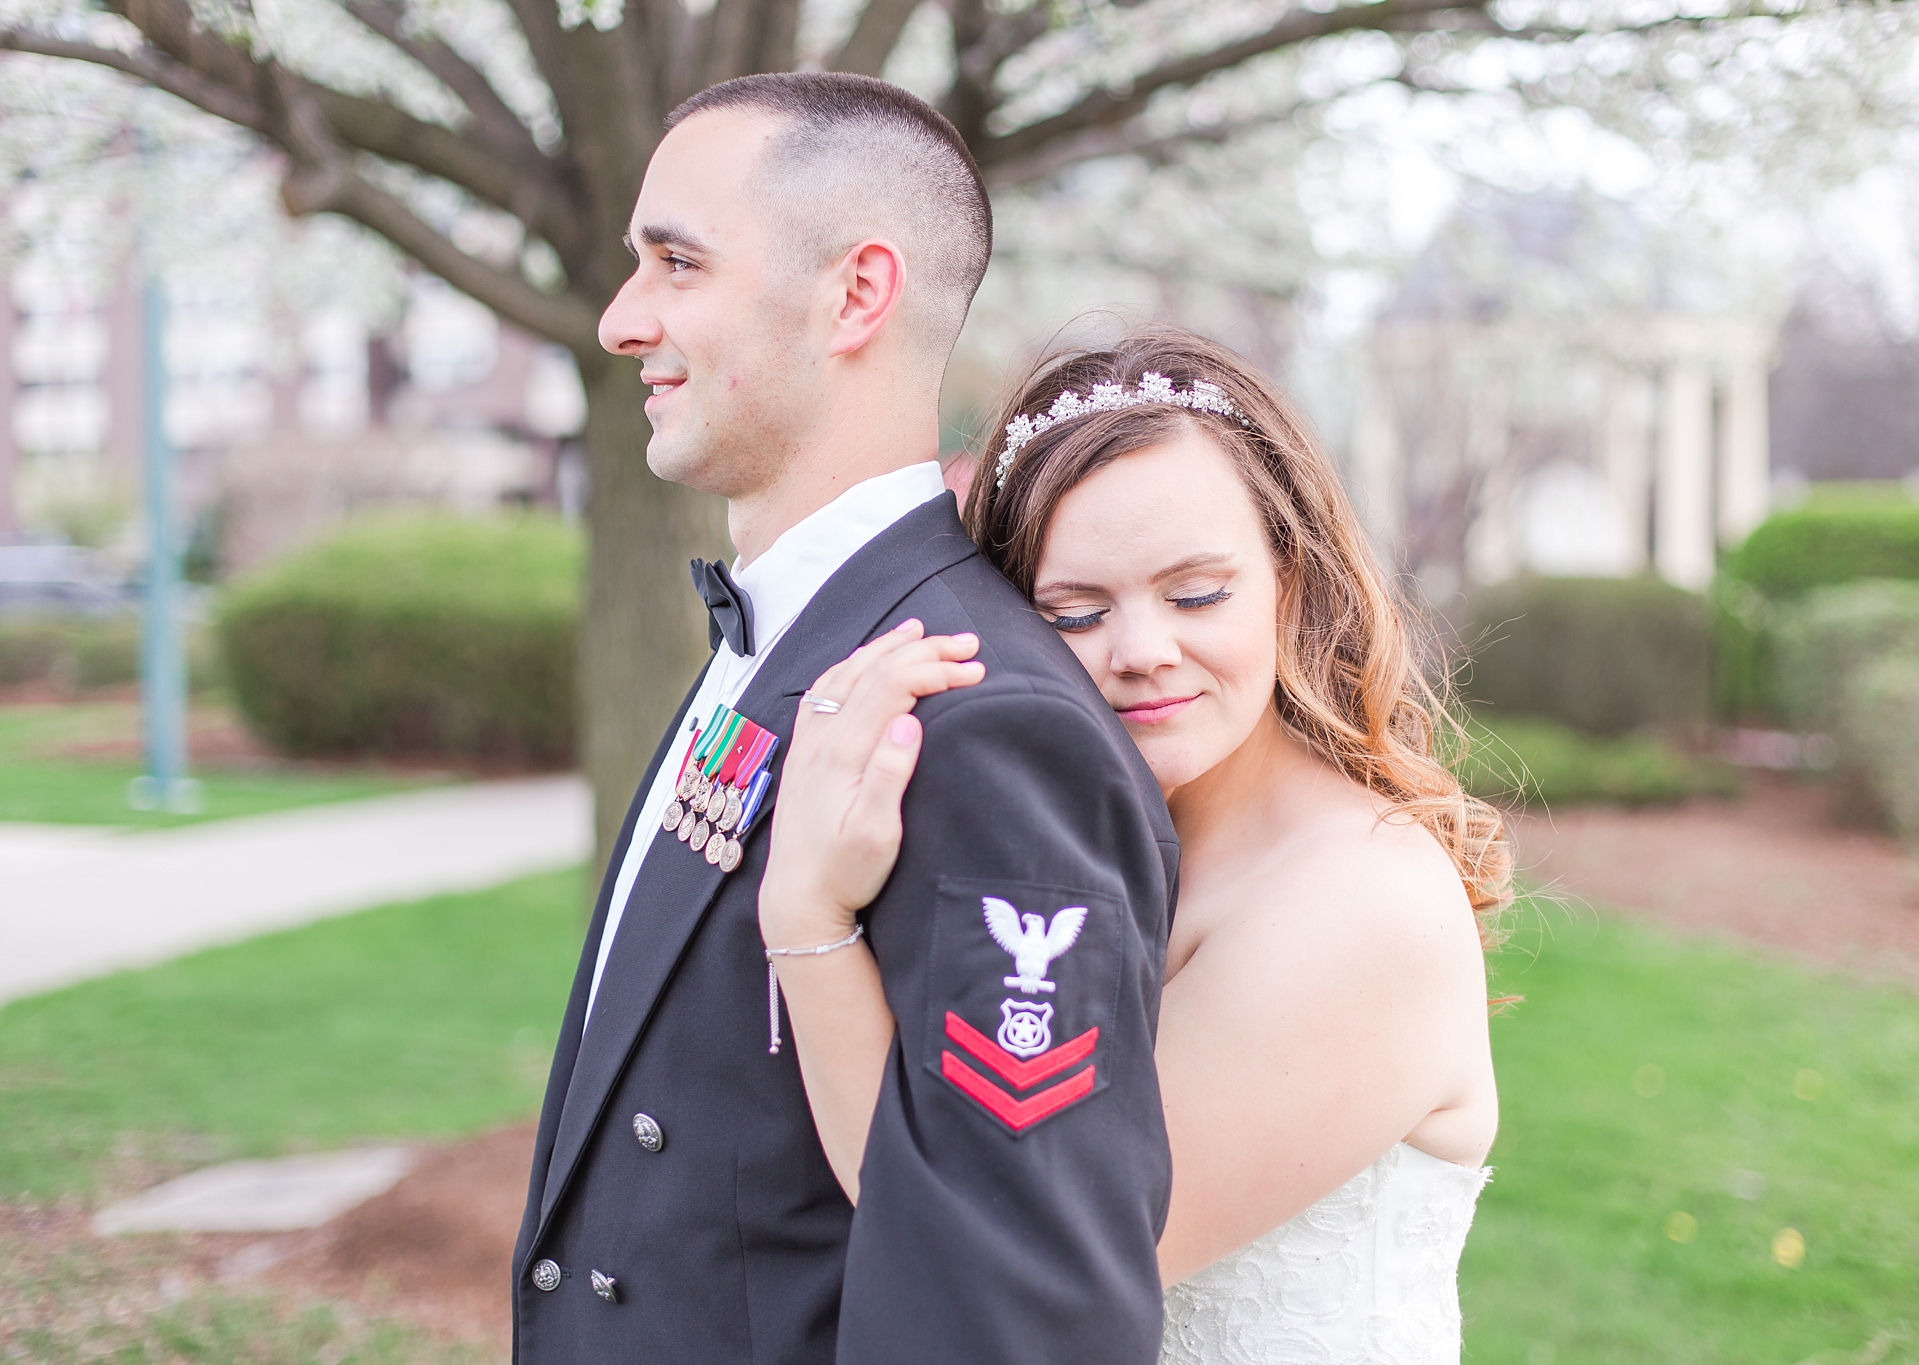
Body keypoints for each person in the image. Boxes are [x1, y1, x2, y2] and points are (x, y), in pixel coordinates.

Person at [510, 74, 1179, 1364]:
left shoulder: (977, 717)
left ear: (857, 294)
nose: (617, 319)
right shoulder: (790, 635)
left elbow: (1024, 1306)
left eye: (675, 263)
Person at [758, 324, 1514, 1363]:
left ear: (1289, 583)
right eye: (1072, 613)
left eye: (1196, 594)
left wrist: (805, 920)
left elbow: (990, 1259)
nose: (1141, 653)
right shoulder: (1065, 854)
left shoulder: (1360, 905)